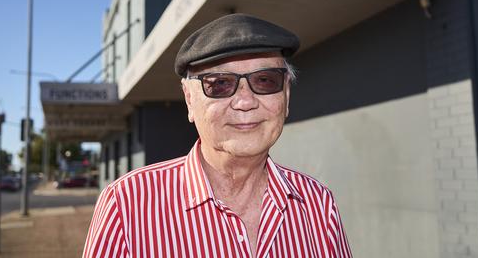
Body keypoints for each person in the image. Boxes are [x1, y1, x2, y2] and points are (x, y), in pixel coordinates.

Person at [83, 13, 352, 257]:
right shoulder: (127, 204)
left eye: (266, 80)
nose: (245, 102)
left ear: (286, 96)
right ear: (189, 100)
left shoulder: (319, 204)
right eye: (220, 84)